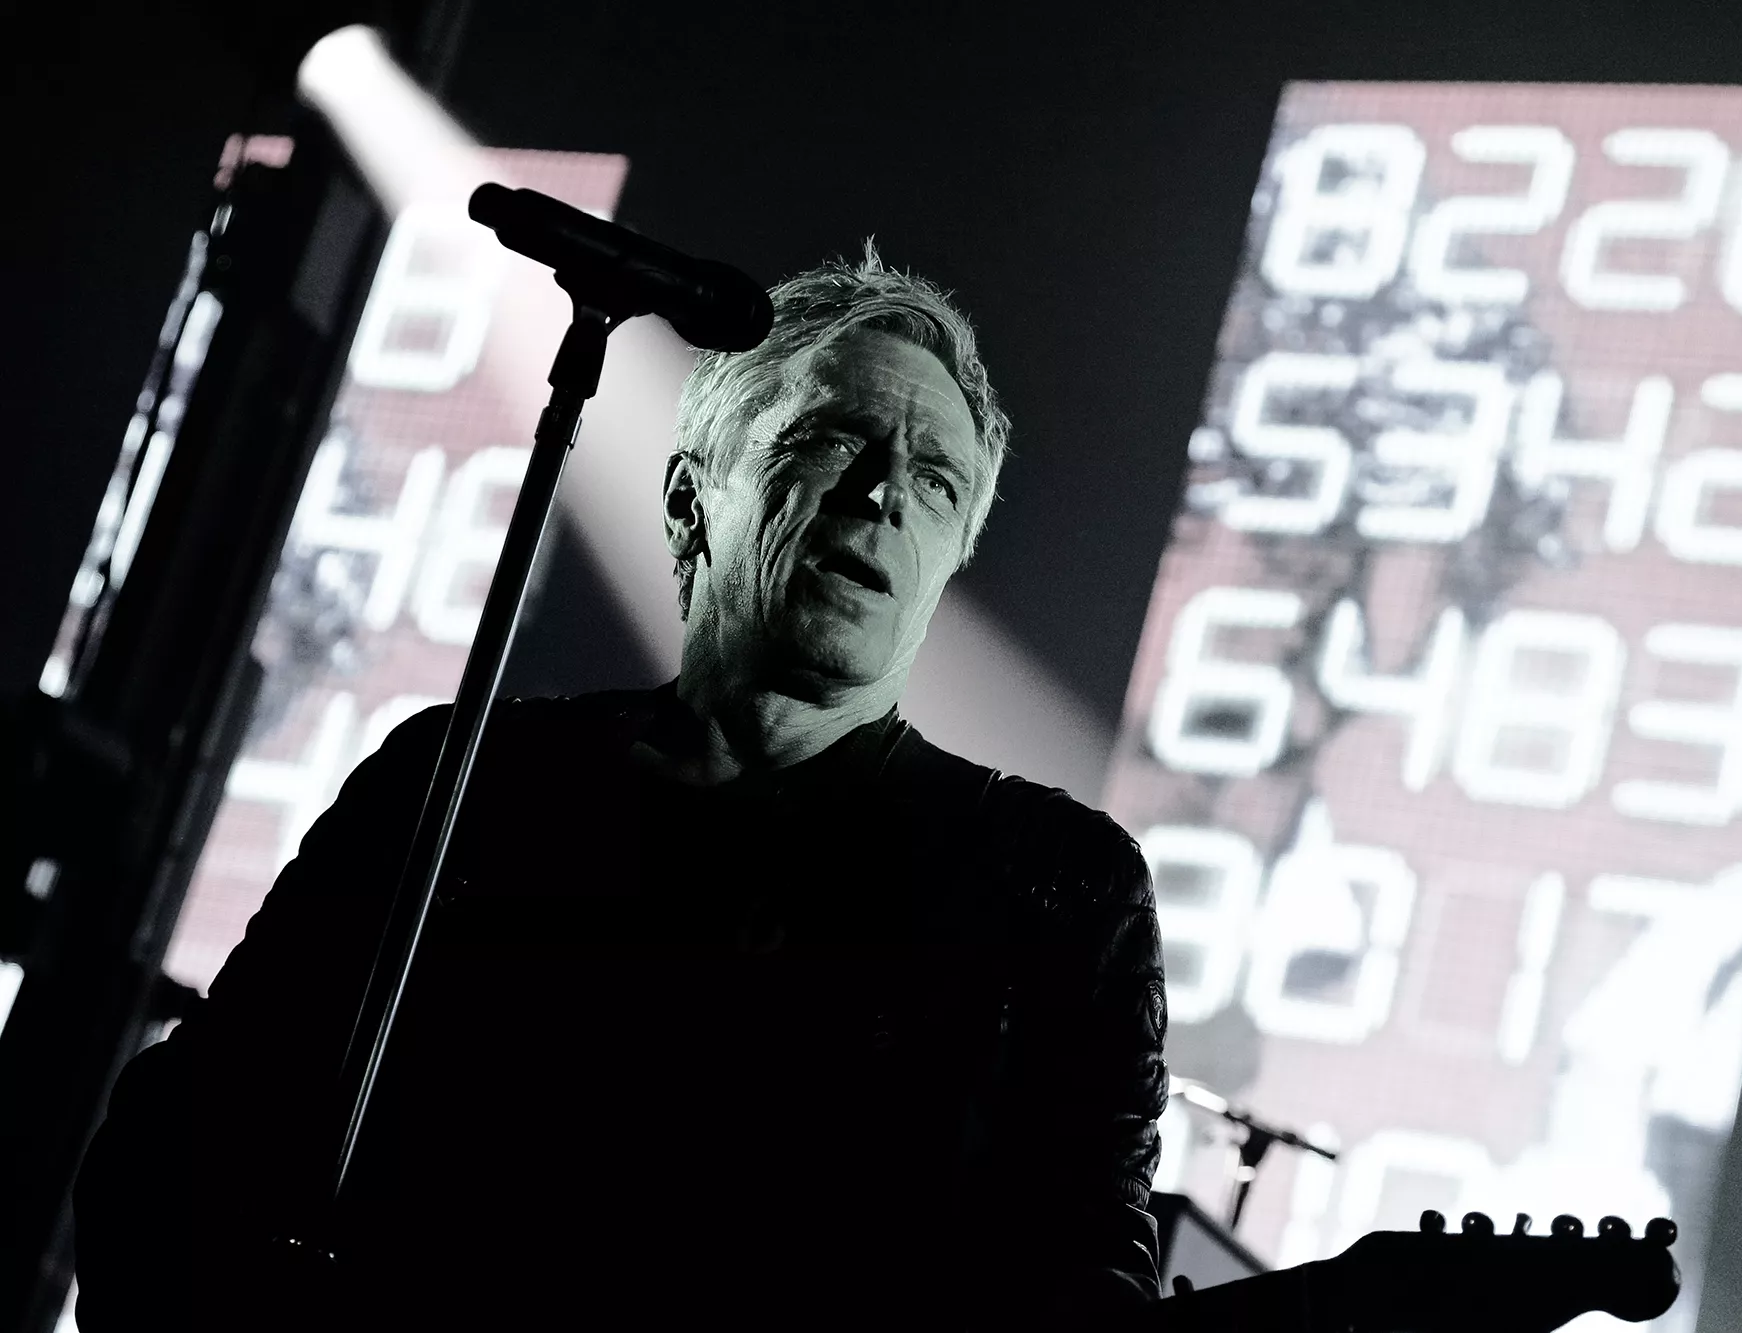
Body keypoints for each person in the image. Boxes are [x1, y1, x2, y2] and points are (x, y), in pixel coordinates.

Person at [72, 246, 1170, 1331]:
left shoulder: (1052, 887)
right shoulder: (457, 782)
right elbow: (175, 1148)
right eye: (833, 437)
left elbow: (1084, 1285)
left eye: (936, 481)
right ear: (691, 500)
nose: (882, 492)